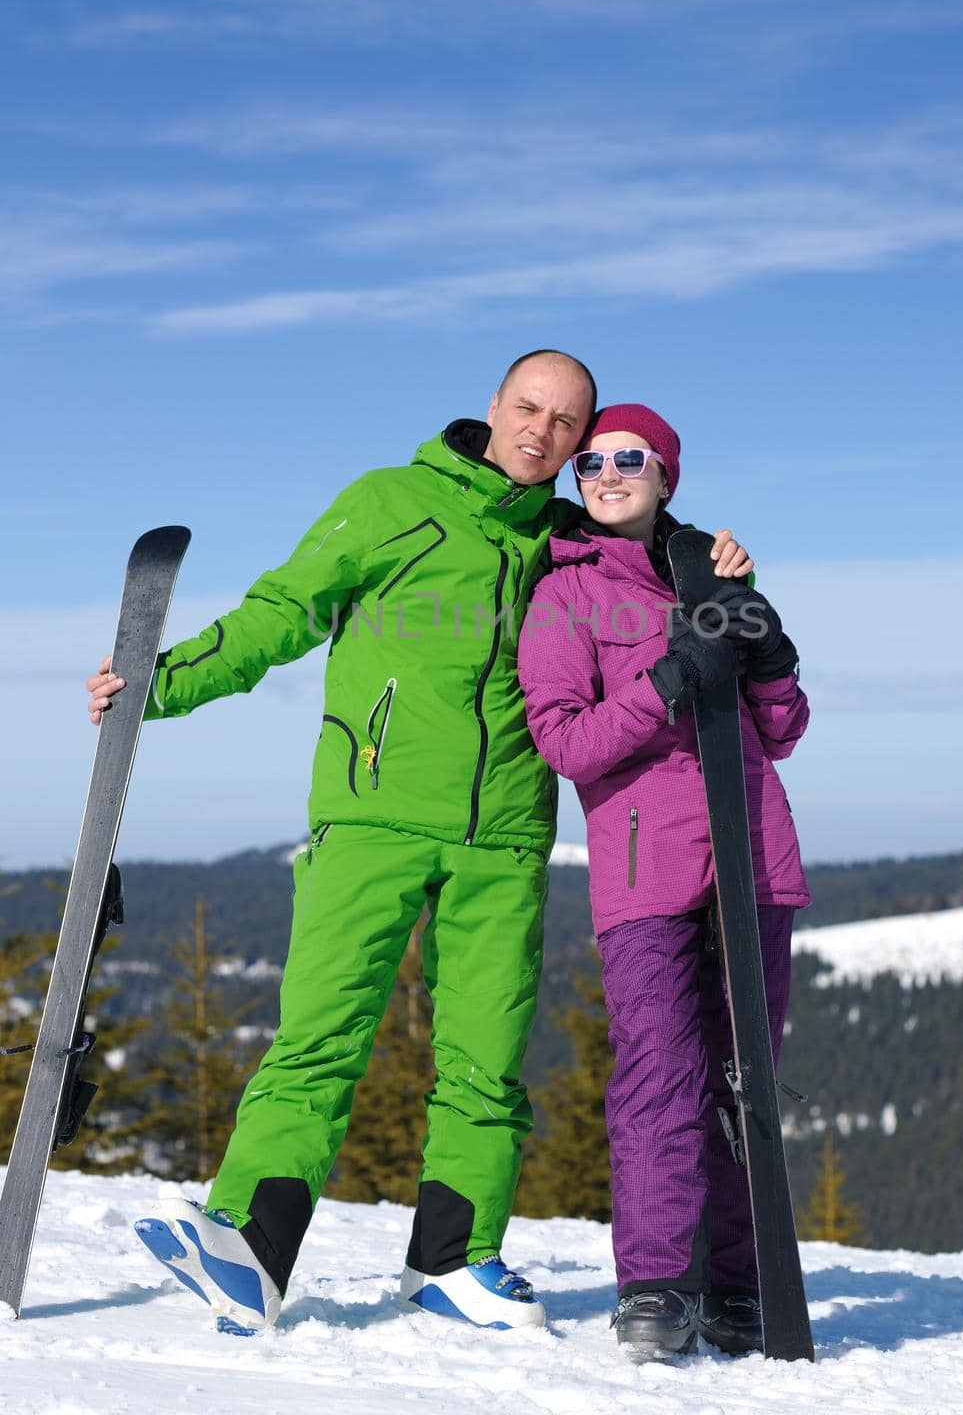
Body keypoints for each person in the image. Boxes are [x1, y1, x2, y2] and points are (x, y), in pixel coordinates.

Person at [84, 357, 754, 1337]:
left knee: (486, 1055)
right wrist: (159, 682)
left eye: (564, 422)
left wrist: (714, 561)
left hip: (508, 831)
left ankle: (450, 1258)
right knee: (321, 1034)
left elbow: (649, 553)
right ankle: (248, 1244)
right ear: (492, 408)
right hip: (373, 811)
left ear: (577, 444)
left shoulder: (565, 542)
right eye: (527, 407)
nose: (540, 430)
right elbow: (281, 613)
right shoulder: (388, 500)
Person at [517, 402, 809, 1360]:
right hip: (645, 872)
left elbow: (783, 730)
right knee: (658, 1080)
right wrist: (666, 682)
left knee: (745, 1081)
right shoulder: (564, 596)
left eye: (627, 458)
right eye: (590, 461)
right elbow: (564, 742)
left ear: (664, 474)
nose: (605, 472)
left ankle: (735, 1281)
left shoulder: (712, 571)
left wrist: (767, 658)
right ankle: (654, 1285)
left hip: (752, 856)